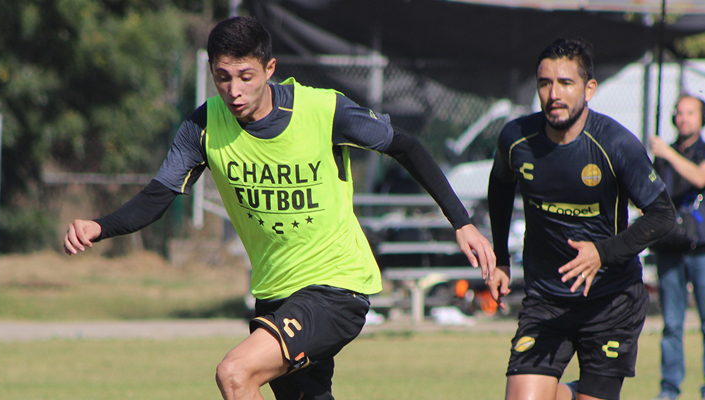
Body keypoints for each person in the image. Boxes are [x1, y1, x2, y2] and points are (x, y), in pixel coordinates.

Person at [63, 16, 496, 400]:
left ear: (270, 69)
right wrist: (99, 227)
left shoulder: (323, 110)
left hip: (336, 287)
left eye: (246, 76)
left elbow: (406, 145)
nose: (234, 90)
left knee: (235, 374)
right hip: (273, 295)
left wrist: (462, 223)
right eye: (223, 78)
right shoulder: (202, 127)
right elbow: (158, 196)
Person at [485, 38, 676, 400]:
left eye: (565, 83)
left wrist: (601, 253)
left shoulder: (616, 144)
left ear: (589, 89)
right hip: (546, 299)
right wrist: (500, 258)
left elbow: (664, 215)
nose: (553, 93)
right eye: (545, 83)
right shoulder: (516, 138)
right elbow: (499, 186)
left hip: (610, 300)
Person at [648, 95, 705, 400]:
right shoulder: (662, 158)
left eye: (690, 113)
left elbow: (699, 176)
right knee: (671, 324)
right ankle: (669, 389)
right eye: (679, 113)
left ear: (702, 117)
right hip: (670, 247)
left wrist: (667, 154)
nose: (683, 118)